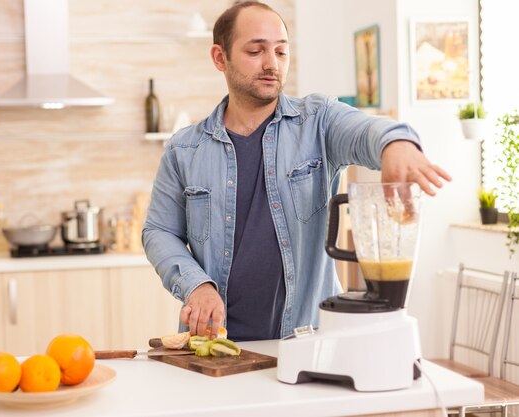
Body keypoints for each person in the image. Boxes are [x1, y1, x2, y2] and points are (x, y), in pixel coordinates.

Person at [142, 1, 451, 342]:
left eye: (281, 52)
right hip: (214, 346)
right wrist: (196, 285)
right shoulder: (183, 149)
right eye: (256, 51)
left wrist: (396, 145)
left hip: (308, 341)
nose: (271, 64)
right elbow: (159, 231)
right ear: (220, 57)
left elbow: (367, 132)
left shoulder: (318, 121)